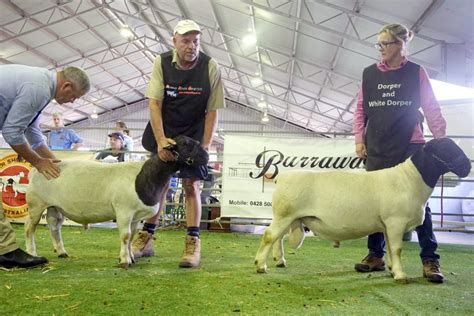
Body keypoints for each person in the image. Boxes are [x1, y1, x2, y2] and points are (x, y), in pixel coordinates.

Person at [352, 24, 447, 283]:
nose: (381, 48)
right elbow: (360, 108)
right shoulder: (369, 74)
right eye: (379, 44)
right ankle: (375, 255)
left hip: (410, 146)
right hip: (378, 146)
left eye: (386, 43)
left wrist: (440, 140)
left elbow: (430, 105)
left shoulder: (417, 72)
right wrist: (359, 139)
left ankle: (430, 259)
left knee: (419, 205)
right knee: (374, 201)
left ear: (401, 45)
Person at [132, 19, 225, 268]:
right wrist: (161, 140)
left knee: (192, 185)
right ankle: (147, 237)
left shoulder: (210, 67)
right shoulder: (161, 62)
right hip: (166, 129)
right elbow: (154, 104)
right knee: (159, 186)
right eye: (185, 41)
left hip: (194, 133)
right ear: (174, 41)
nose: (191, 46)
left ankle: (193, 242)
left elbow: (213, 111)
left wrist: (204, 147)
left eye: (195, 41)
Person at [0, 64, 90, 269]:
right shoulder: (38, 88)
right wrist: (38, 162)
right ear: (66, 86)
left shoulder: (43, 85)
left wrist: (59, 164)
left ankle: (5, 250)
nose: (72, 101)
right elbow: (12, 132)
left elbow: (32, 131)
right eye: (74, 96)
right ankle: (5, 252)